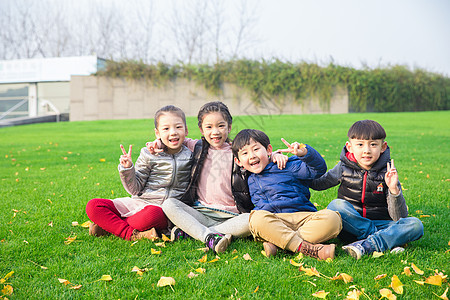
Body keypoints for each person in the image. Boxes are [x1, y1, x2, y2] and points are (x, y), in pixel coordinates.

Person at [148, 101, 287, 253]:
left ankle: (193, 232)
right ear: (201, 129)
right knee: (169, 204)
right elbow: (173, 141)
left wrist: (273, 155)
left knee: (253, 219)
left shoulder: (239, 151)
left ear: (229, 127)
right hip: (201, 211)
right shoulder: (196, 146)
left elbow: (257, 155)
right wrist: (158, 144)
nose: (215, 132)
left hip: (232, 216)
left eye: (221, 126)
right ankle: (208, 236)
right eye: (209, 127)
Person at [311, 120, 424, 259]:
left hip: (382, 223)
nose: (367, 150)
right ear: (350, 147)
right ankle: (381, 241)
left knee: (415, 224)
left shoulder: (388, 173)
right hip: (351, 225)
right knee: (336, 205)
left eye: (373, 144)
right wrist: (303, 159)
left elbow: (399, 217)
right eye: (360, 144)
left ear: (383, 147)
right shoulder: (342, 168)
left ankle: (365, 245)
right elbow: (318, 184)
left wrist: (394, 189)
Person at [85, 105, 193, 241]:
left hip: (165, 210)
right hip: (140, 203)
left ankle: (110, 226)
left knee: (153, 215)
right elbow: (135, 189)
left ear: (186, 130)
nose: (173, 132)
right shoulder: (148, 153)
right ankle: (133, 234)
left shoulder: (191, 154)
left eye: (178, 127)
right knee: (94, 206)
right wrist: (128, 168)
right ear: (157, 133)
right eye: (166, 128)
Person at [232, 129, 342, 260]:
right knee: (256, 218)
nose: (252, 156)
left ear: (268, 150)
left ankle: (279, 245)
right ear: (239, 162)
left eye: (256, 149)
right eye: (245, 153)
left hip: (303, 218)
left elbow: (318, 169)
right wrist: (273, 155)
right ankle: (307, 248)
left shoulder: (287, 165)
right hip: (275, 221)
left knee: (333, 218)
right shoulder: (246, 177)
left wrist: (304, 152)